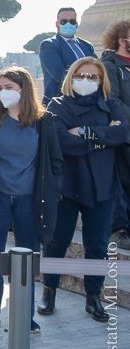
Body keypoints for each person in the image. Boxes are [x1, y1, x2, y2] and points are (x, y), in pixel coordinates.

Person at [0, 67, 62, 332]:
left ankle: (24, 316)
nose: (3, 92)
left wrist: (53, 191)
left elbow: (56, 163)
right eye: (0, 87)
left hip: (29, 202)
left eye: (9, 87)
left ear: (24, 89)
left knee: (27, 261)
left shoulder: (44, 122)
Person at [40, 57, 128, 323]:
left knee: (98, 246)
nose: (87, 81)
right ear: (71, 77)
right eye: (82, 75)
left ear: (102, 81)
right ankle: (49, 291)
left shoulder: (111, 105)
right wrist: (102, 138)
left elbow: (121, 134)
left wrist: (86, 133)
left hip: (103, 186)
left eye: (93, 77)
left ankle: (93, 297)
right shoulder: (57, 105)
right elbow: (62, 141)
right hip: (67, 185)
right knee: (56, 243)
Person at [99, 19, 130, 251]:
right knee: (122, 183)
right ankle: (119, 230)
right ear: (122, 40)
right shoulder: (110, 65)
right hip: (122, 134)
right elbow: (113, 100)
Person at [39, 7, 96, 102]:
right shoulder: (49, 45)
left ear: (77, 24)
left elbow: (98, 70)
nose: (68, 24)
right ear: (57, 24)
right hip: (60, 103)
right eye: (63, 21)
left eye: (72, 21)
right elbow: (60, 75)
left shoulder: (87, 45)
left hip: (89, 101)